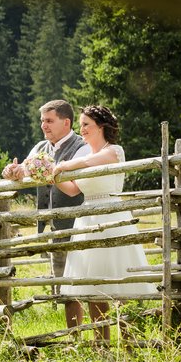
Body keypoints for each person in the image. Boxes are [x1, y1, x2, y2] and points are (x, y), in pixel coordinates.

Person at [51, 105, 157, 340]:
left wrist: (63, 165)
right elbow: (72, 189)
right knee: (93, 283)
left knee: (119, 282)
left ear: (101, 126)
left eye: (86, 124)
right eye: (81, 125)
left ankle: (130, 341)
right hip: (87, 216)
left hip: (112, 215)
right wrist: (54, 177)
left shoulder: (113, 151)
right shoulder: (81, 155)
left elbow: (90, 163)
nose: (83, 130)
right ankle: (102, 342)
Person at [2, 100, 90, 325]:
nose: (44, 126)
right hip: (53, 226)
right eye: (42, 121)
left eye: (49, 121)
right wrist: (13, 171)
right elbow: (24, 168)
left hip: (78, 224)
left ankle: (92, 341)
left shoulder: (82, 146)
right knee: (64, 287)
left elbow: (76, 185)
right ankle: (74, 339)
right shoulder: (40, 147)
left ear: (66, 122)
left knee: (86, 284)